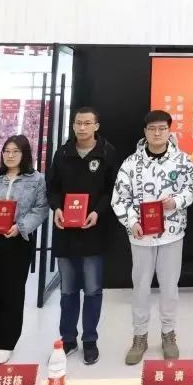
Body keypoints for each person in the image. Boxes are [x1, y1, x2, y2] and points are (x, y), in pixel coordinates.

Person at [112, 110, 193, 366]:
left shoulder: (182, 161)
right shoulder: (131, 163)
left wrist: (177, 201)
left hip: (172, 234)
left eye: (162, 128)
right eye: (152, 129)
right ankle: (139, 336)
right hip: (141, 236)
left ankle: (168, 334)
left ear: (169, 131)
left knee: (170, 287)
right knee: (140, 287)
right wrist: (131, 222)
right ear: (145, 132)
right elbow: (119, 198)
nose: (157, 133)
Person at [46, 107, 119, 365]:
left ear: (96, 126)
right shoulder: (63, 153)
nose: (82, 128)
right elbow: (52, 188)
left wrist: (98, 212)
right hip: (65, 231)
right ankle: (68, 339)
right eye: (78, 123)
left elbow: (113, 190)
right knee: (67, 290)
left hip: (93, 230)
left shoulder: (107, 153)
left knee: (92, 289)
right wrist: (56, 208)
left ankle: (90, 340)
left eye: (88, 123)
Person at [0, 135, 49, 365]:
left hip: (18, 240)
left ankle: (7, 343)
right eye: (6, 151)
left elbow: (41, 209)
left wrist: (21, 227)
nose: (10, 155)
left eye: (15, 151)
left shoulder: (36, 180)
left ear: (25, 155)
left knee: (13, 292)